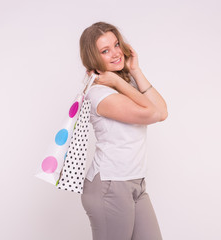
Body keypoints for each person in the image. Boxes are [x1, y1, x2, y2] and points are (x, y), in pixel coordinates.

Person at [79, 22, 168, 240]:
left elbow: (163, 112)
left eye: (116, 44)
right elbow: (152, 113)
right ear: (94, 59)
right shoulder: (99, 94)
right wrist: (119, 84)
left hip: (135, 182)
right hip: (110, 185)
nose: (116, 53)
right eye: (105, 51)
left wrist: (135, 70)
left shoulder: (124, 87)